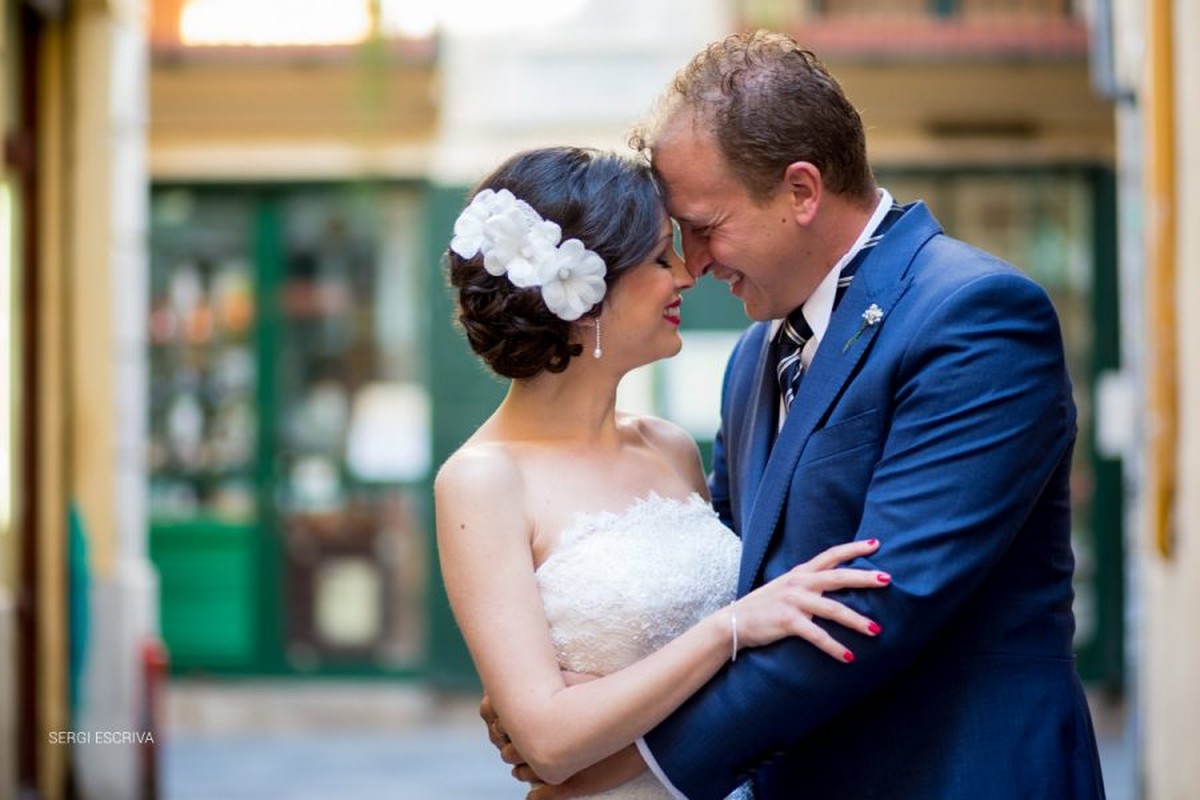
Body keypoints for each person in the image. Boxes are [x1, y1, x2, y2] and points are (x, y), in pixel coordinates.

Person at [491, 31, 1107, 800]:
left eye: (707, 227)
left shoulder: (974, 315)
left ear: (802, 192)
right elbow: (729, 590)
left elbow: (878, 604)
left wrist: (619, 763)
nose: (694, 263)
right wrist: (565, 701)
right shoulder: (754, 359)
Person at [434, 145, 894, 799]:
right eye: (658, 257)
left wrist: (608, 712)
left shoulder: (670, 447)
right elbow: (549, 740)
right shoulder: (482, 481)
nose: (684, 274)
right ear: (582, 296)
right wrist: (729, 630)